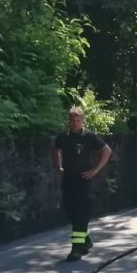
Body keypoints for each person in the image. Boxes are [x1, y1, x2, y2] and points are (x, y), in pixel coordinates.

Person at [52, 106, 113, 261]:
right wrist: (58, 167)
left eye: (78, 120)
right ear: (69, 121)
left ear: (82, 121)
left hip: (83, 179)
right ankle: (86, 241)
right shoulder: (63, 137)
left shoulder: (89, 137)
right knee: (70, 210)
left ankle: (76, 248)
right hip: (68, 178)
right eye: (72, 120)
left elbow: (107, 151)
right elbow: (55, 150)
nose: (75, 123)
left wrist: (95, 170)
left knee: (80, 211)